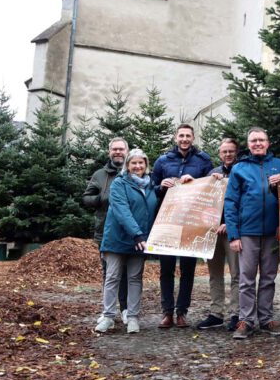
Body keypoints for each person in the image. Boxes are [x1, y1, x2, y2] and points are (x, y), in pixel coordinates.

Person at [224, 127, 280, 339]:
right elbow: (231, 202)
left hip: (272, 232)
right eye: (253, 141)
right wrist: (234, 235)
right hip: (247, 232)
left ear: (268, 143)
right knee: (246, 278)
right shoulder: (239, 168)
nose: (258, 143)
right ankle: (246, 320)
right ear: (249, 144)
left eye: (261, 140)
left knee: (269, 277)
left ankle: (266, 318)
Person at [150, 124, 213, 328]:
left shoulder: (203, 160)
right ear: (175, 138)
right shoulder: (163, 161)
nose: (184, 139)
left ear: (193, 138)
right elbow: (151, 187)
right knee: (166, 270)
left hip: (191, 223)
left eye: (188, 136)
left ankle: (181, 312)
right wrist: (162, 186)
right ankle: (167, 312)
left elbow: (212, 186)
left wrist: (195, 181)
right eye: (181, 136)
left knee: (188, 270)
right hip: (167, 221)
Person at [95, 149, 157, 334]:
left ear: (146, 165)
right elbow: (122, 211)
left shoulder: (151, 186)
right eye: (134, 163)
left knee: (135, 278)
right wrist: (137, 234)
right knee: (112, 277)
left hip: (139, 241)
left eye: (141, 163)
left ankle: (132, 317)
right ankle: (108, 317)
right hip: (118, 239)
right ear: (127, 165)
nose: (137, 166)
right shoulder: (119, 184)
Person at [195, 138, 241, 332]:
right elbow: (203, 200)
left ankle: (237, 313)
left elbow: (246, 201)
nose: (228, 155)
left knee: (237, 274)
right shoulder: (212, 173)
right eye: (224, 152)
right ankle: (216, 313)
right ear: (219, 154)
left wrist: (229, 224)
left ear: (236, 152)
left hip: (233, 231)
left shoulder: (242, 171)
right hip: (212, 231)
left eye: (231, 151)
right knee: (215, 275)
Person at [83, 137, 130, 323]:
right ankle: (108, 310)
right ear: (109, 152)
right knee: (108, 272)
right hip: (105, 231)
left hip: (128, 231)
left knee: (127, 272)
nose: (118, 152)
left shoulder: (133, 171)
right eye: (114, 149)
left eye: (121, 149)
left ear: (127, 151)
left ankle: (126, 308)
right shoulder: (100, 175)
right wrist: (101, 198)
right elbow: (86, 198)